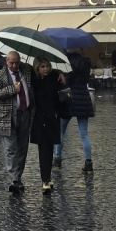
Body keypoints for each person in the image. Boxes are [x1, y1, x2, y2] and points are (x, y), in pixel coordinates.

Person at [0, 51, 33, 193]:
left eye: (17, 62)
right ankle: (14, 179)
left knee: (22, 148)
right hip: (7, 116)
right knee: (11, 148)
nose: (14, 65)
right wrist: (12, 89)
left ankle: (18, 177)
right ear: (6, 62)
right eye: (11, 63)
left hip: (25, 114)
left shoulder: (26, 71)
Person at [30, 58, 68, 191]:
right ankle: (45, 179)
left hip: (52, 118)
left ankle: (48, 177)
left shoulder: (53, 78)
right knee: (43, 150)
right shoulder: (34, 81)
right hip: (40, 120)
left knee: (50, 149)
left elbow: (61, 95)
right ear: (37, 68)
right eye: (42, 66)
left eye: (47, 66)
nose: (45, 69)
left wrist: (59, 73)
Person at [57, 52, 95, 172]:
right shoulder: (85, 64)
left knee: (60, 132)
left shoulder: (67, 64)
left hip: (69, 100)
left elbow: (65, 83)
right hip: (83, 98)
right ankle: (88, 162)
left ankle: (57, 159)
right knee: (84, 134)